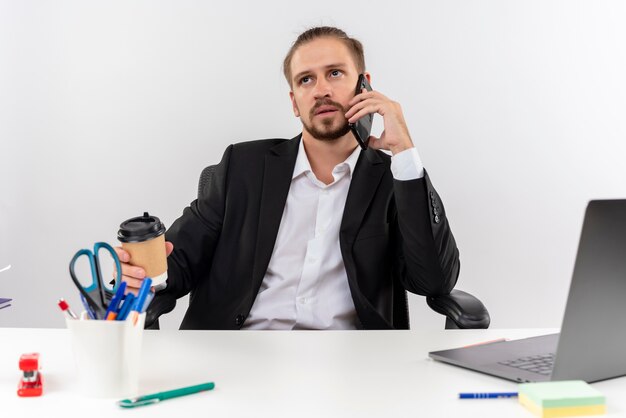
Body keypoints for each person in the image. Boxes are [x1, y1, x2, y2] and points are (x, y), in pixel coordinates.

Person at [115, 26, 460, 330]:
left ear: (364, 86)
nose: (321, 89)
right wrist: (141, 275)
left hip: (350, 367)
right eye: (306, 79)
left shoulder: (394, 180)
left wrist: (404, 152)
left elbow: (434, 281)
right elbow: (178, 260)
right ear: (295, 102)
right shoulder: (243, 166)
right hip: (239, 355)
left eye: (335, 73)